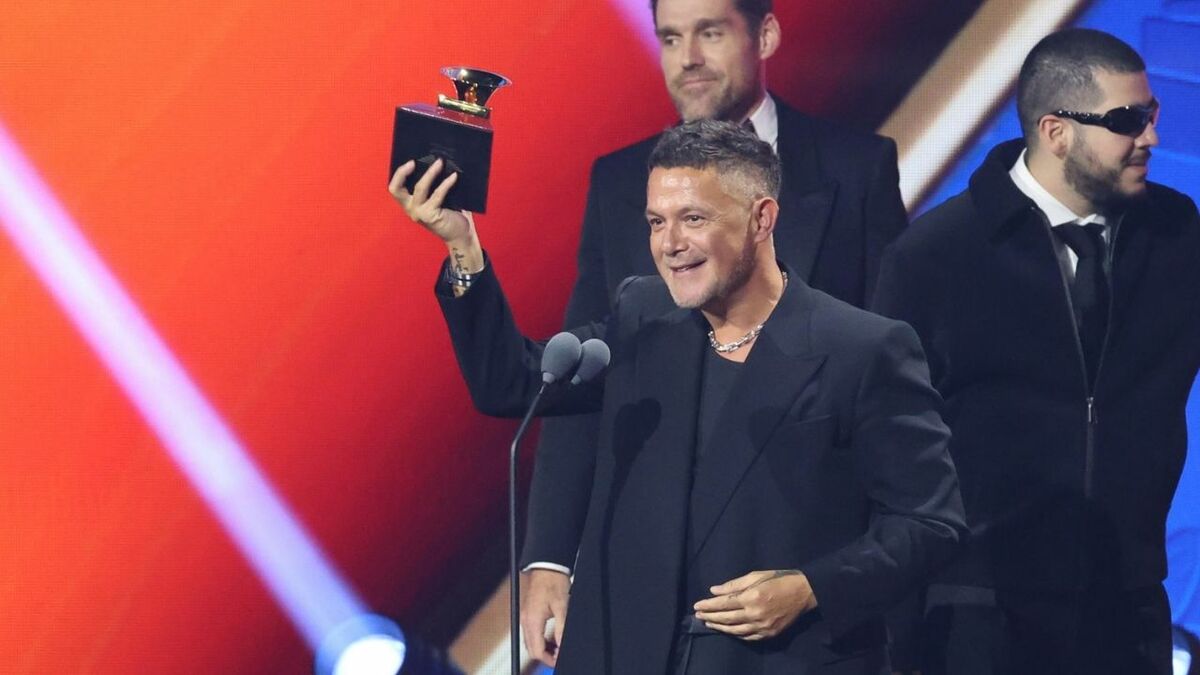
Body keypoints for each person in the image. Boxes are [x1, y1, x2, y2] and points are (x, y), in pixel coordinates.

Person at [391, 120, 964, 675]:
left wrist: (812, 588)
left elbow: (928, 523)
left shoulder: (862, 348)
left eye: (692, 219)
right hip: (624, 654)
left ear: (762, 219)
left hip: (772, 660)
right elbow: (512, 380)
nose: (669, 244)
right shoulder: (644, 318)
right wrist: (462, 246)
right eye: (655, 221)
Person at [525, 0, 910, 665]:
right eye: (671, 37)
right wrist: (550, 555)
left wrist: (859, 580)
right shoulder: (621, 182)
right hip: (655, 578)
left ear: (765, 34)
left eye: (710, 32)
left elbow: (898, 390)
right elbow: (580, 381)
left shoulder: (855, 169)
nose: (688, 59)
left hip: (800, 574)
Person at [871, 28, 1200, 675]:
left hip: (1127, 609)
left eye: (1152, 116)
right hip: (978, 612)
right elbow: (883, 447)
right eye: (1127, 121)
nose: (1151, 139)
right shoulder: (936, 256)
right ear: (1056, 132)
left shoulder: (1178, 236)